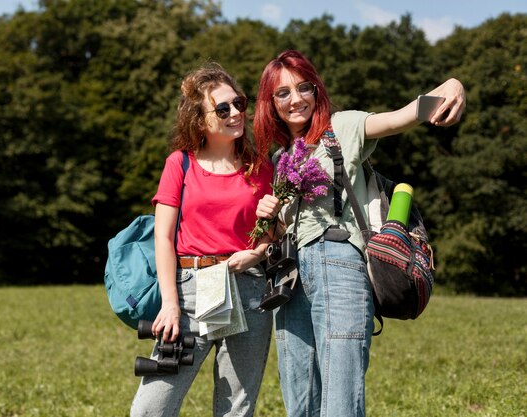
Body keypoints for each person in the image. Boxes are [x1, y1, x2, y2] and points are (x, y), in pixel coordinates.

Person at [253, 50, 466, 417]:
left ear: (315, 90)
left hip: (339, 264)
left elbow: (402, 117)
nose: (295, 99)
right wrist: (270, 218)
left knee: (340, 397)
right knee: (298, 397)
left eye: (303, 87)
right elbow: (283, 231)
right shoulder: (279, 159)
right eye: (282, 93)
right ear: (270, 104)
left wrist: (452, 85)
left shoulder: (343, 127)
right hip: (288, 278)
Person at [130, 62, 274, 417]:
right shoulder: (179, 164)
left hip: (250, 291)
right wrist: (170, 303)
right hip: (191, 291)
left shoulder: (261, 168)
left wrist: (255, 255)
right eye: (222, 108)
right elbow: (163, 238)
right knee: (151, 408)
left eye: (239, 103)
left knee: (235, 409)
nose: (236, 113)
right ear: (199, 120)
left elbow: (271, 238)